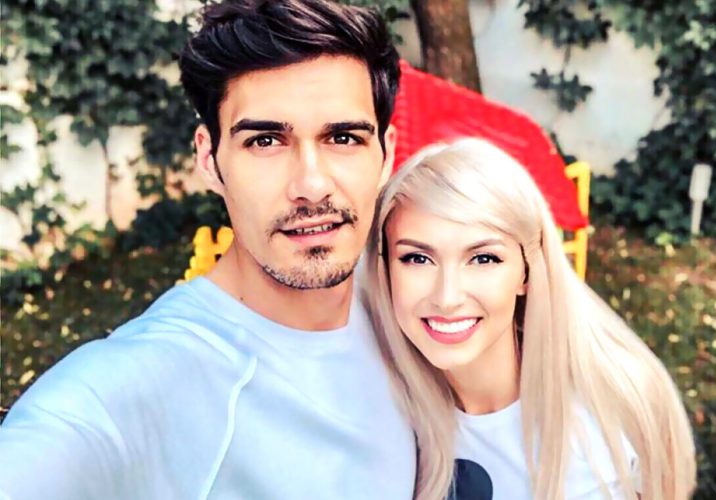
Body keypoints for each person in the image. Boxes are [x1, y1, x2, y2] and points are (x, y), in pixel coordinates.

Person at [0, 1, 416, 498]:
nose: (311, 185)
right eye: (265, 141)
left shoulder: (417, 311)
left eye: (343, 138)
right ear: (209, 159)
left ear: (386, 154)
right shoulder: (137, 385)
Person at [361, 138, 697, 500]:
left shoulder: (615, 403)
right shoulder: (378, 406)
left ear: (526, 271)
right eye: (417, 258)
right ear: (386, 270)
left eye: (483, 259)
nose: (447, 297)